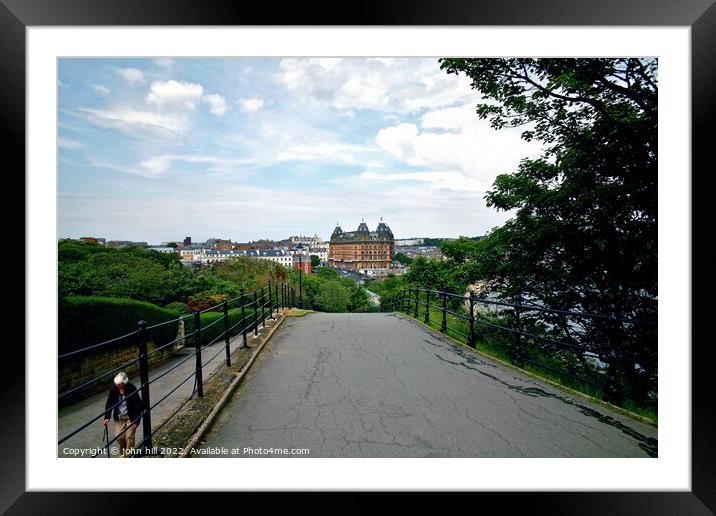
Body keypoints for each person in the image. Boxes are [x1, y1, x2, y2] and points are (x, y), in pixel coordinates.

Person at [103, 372, 142, 458]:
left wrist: (137, 421)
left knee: (129, 437)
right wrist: (107, 417)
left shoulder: (131, 388)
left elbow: (138, 405)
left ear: (125, 383)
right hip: (119, 417)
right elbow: (109, 404)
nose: (118, 386)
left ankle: (127, 456)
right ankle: (123, 452)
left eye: (120, 384)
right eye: (117, 384)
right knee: (119, 437)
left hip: (130, 417)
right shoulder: (114, 390)